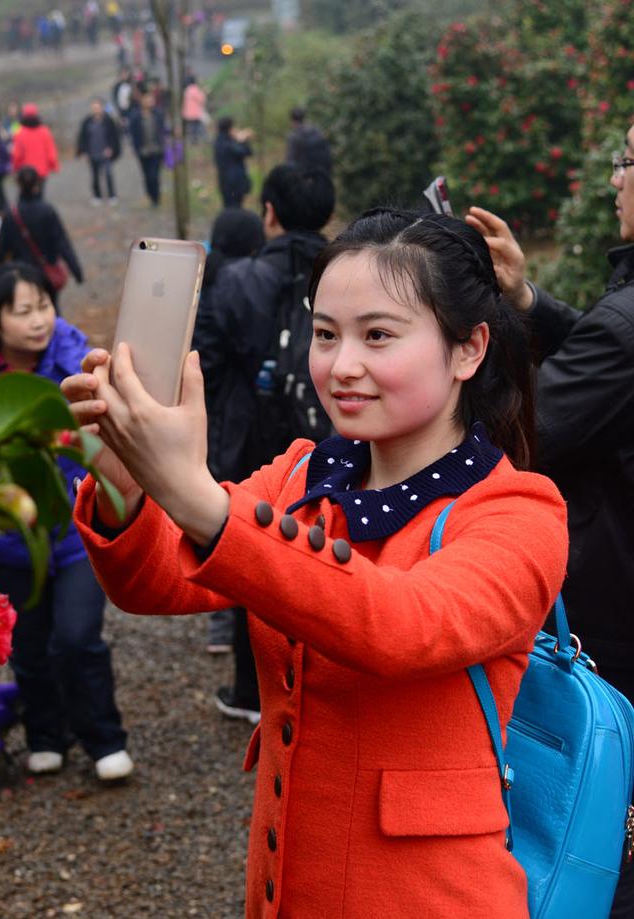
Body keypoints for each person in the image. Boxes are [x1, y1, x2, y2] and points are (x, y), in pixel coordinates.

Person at [62, 208, 567, 915]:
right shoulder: (306, 473)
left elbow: (401, 624)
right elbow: (156, 580)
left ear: (467, 349)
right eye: (325, 334)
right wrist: (123, 478)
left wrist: (198, 499)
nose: (341, 365)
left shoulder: (517, 510)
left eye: (378, 335)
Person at [466, 125, 634, 918]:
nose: (614, 178)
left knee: (598, 794)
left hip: (617, 600)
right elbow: (611, 346)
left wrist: (456, 367)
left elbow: (529, 434)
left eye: (627, 160)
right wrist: (528, 302)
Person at [0, 261, 132, 782]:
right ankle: (47, 735)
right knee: (29, 645)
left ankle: (104, 739)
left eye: (44, 305)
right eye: (22, 311)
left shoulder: (76, 363)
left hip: (73, 532)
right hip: (11, 540)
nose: (39, 320)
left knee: (76, 637)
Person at [195, 165, 335, 721]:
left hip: (253, 437)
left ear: (269, 213)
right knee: (331, 548)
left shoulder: (234, 280)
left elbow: (202, 361)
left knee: (250, 552)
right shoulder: (351, 271)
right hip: (333, 435)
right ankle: (324, 680)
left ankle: (253, 692)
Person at [189, 208, 266, 656]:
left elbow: (206, 356)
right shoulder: (260, 282)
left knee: (220, 507)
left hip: (223, 417)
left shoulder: (214, 284)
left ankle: (220, 618)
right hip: (257, 413)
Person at [0, 167, 83, 303]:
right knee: (50, 305)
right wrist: (76, 270)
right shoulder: (47, 211)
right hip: (46, 270)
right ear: (37, 185)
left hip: (22, 273)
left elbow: (1, 247)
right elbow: (62, 242)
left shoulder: (10, 214)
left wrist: (0, 271)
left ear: (18, 185)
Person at [75, 97, 122, 206]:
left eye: (98, 107)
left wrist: (111, 148)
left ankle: (112, 195)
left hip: (106, 153)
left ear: (102, 108)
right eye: (94, 107)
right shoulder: (86, 121)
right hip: (92, 153)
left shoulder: (108, 121)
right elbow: (82, 137)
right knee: (95, 176)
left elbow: (114, 136)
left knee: (108, 174)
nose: (96, 109)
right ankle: (97, 196)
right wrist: (83, 151)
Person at [127, 86, 165, 207]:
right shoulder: (135, 117)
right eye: (147, 99)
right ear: (141, 101)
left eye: (151, 99)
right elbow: (132, 134)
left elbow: (164, 130)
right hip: (143, 152)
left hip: (156, 150)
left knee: (154, 175)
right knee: (147, 176)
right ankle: (150, 193)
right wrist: (135, 149)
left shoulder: (158, 114)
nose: (150, 101)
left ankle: (156, 197)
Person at [11, 103, 60, 185]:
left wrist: (15, 167)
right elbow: (51, 151)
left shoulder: (20, 132)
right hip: (42, 171)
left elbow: (17, 154)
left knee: (27, 195)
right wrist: (54, 165)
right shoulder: (44, 131)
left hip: (26, 172)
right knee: (40, 194)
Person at [215, 116, 254, 209]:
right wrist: (242, 140)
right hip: (234, 183)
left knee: (229, 206)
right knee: (235, 207)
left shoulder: (219, 141)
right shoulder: (228, 143)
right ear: (229, 129)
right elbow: (246, 152)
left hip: (225, 181)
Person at [285, 106, 332, 177]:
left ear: (292, 120)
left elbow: (290, 160)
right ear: (303, 118)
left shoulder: (293, 136)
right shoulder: (317, 131)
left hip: (304, 176)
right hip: (321, 174)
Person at [182, 74, 209, 145]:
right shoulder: (195, 89)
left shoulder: (187, 90)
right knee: (200, 127)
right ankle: (205, 139)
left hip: (188, 113)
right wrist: (205, 93)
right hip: (195, 113)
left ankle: (193, 141)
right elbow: (202, 99)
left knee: (192, 128)